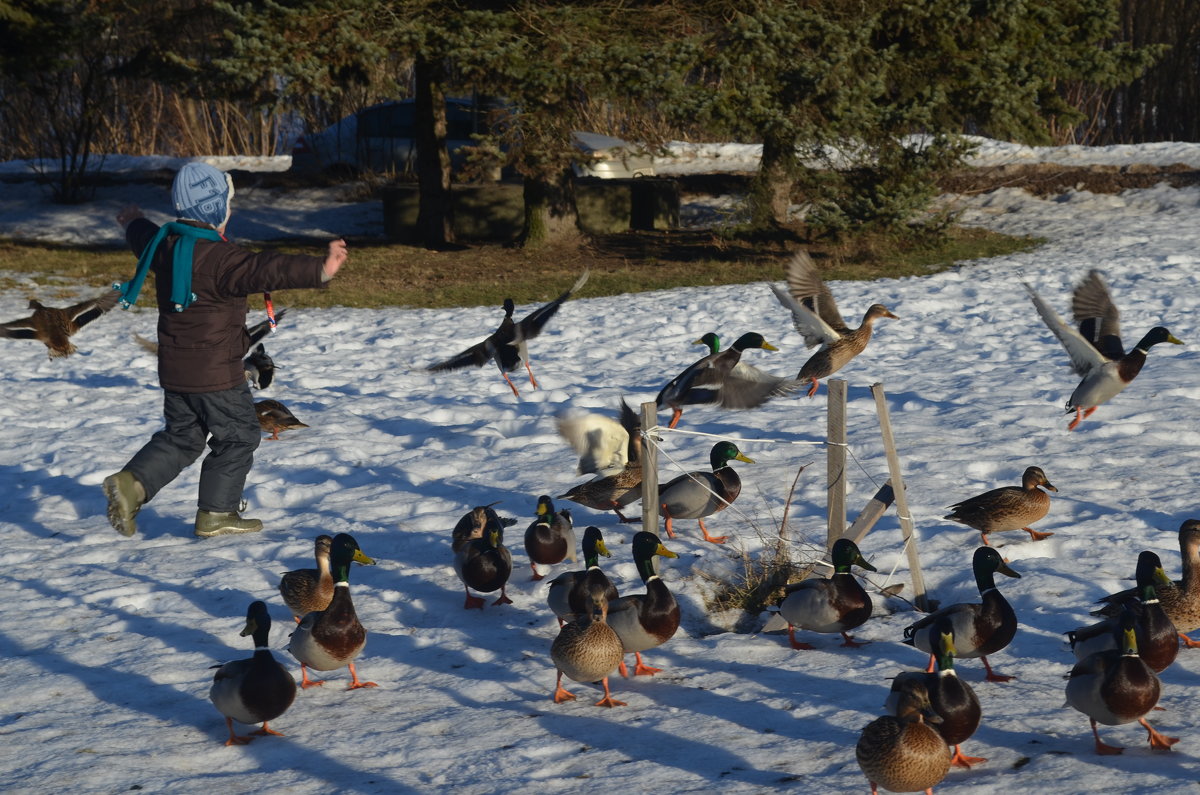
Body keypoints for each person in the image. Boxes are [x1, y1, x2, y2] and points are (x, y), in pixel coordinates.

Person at [103, 162, 347, 538]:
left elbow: (143, 237)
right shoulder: (225, 260)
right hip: (217, 373)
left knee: (182, 437)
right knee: (239, 435)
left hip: (175, 371)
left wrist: (132, 221)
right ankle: (217, 513)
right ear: (216, 210)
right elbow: (269, 268)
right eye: (226, 205)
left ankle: (132, 484)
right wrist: (320, 269)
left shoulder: (165, 245)